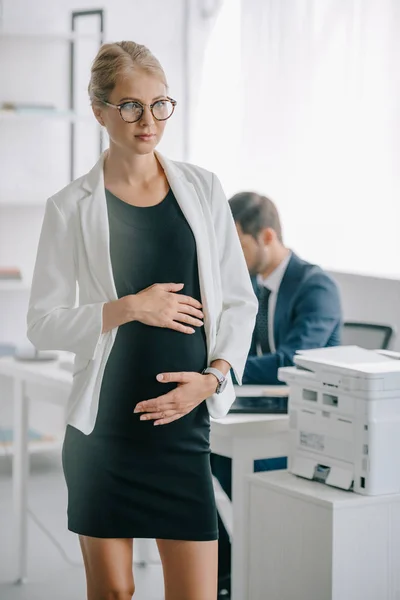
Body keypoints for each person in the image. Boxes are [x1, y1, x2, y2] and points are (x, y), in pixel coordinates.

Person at [27, 41, 258, 600]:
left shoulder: (202, 189)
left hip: (183, 429)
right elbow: (43, 323)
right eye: (130, 105)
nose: (147, 120)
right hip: (104, 432)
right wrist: (131, 306)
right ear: (100, 109)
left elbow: (238, 302)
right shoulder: (70, 206)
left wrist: (214, 378)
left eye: (159, 104)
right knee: (113, 593)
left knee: (196, 595)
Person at [212, 191, 342, 596]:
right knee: (197, 452)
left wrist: (224, 368)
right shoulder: (250, 286)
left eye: (238, 242)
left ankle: (256, 559)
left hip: (303, 421)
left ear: (266, 235)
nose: (230, 253)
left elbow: (294, 361)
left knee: (226, 458)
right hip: (259, 409)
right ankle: (227, 570)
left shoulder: (315, 286)